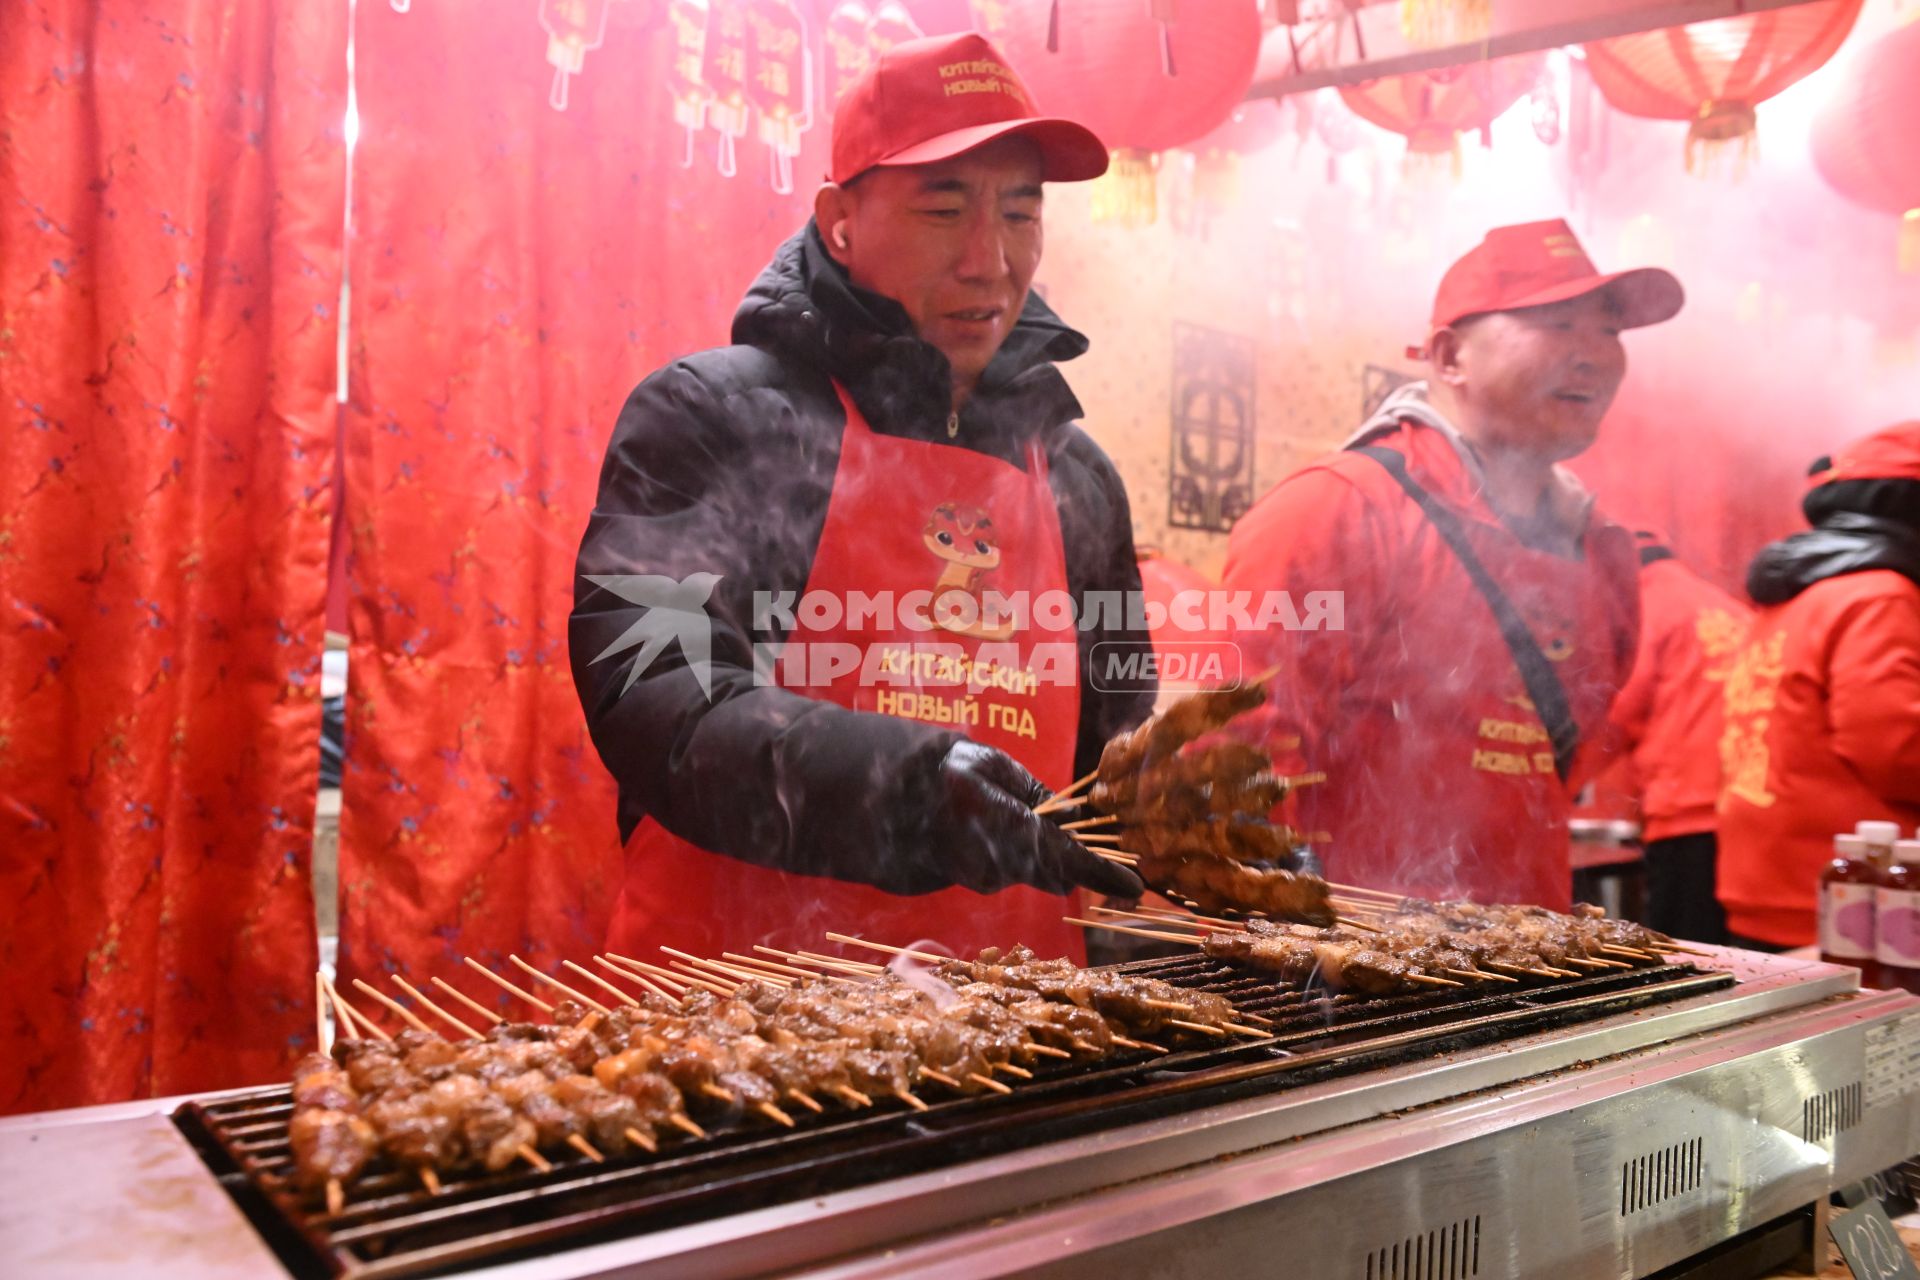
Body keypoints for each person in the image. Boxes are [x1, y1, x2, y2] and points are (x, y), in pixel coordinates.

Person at [568, 32, 1151, 961]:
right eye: (944, 209)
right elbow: (652, 687)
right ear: (839, 221)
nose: (990, 261)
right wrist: (906, 787)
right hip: (744, 1032)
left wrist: (1193, 820)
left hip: (1024, 1035)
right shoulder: (710, 417)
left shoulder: (1080, 479)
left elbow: (1116, 752)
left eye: (1020, 212)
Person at [1222, 220, 1683, 909]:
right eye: (1558, 325)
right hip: (1360, 976)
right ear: (1449, 357)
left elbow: (1577, 744)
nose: (1591, 356)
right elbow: (1233, 755)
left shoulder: (1602, 548)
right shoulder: (1339, 510)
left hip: (1531, 958)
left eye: (1608, 332)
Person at [1716, 422, 1920, 950]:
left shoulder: (1799, 594)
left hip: (1771, 876)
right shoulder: (1879, 595)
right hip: (1851, 895)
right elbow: (1895, 747)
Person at [1593, 530, 1750, 942]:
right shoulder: (1721, 604)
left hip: (1687, 812)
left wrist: (1549, 785)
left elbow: (1614, 711)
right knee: (1738, 955)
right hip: (1748, 807)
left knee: (1685, 955)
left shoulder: (1644, 606)